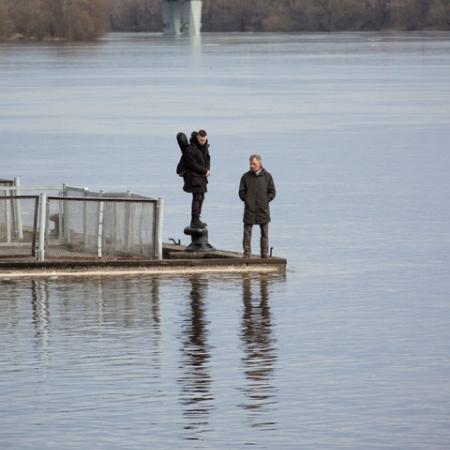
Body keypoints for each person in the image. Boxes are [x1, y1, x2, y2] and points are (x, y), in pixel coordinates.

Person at [239, 154, 276, 258]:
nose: (251, 165)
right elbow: (241, 192)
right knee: (247, 233)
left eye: (254, 164)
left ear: (259, 163)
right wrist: (247, 200)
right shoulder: (245, 177)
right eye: (250, 163)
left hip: (263, 210)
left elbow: (272, 192)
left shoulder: (267, 176)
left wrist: (265, 201)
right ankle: (247, 254)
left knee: (264, 234)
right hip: (249, 209)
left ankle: (264, 254)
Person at [181, 129, 211, 229]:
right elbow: (191, 163)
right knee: (197, 197)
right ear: (197, 138)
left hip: (202, 176)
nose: (203, 142)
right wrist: (204, 170)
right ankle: (194, 220)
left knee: (201, 197)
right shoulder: (191, 148)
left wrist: (207, 169)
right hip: (193, 176)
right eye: (201, 140)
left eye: (204, 140)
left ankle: (197, 218)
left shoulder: (205, 146)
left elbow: (207, 158)